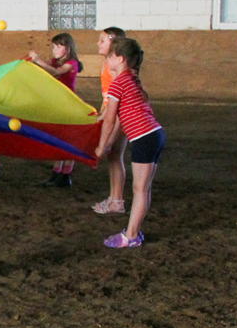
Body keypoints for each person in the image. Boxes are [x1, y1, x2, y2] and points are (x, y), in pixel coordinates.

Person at [96, 38, 164, 248]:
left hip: (144, 138)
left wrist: (101, 145)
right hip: (154, 135)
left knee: (140, 189)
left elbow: (110, 118)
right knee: (144, 189)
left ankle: (131, 236)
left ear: (120, 59)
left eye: (110, 56)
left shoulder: (118, 84)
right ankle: (134, 231)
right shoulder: (132, 79)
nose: (107, 60)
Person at [28, 32, 82, 187]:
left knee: (65, 139)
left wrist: (38, 61)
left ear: (68, 48)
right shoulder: (55, 62)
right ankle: (59, 173)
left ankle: (64, 174)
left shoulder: (72, 63)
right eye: (54, 46)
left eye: (59, 46)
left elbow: (56, 72)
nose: (55, 49)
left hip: (68, 105)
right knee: (61, 139)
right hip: (59, 104)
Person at [92, 27, 128, 214]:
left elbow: (118, 98)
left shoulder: (114, 68)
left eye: (102, 40)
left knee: (115, 157)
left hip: (118, 117)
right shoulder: (107, 63)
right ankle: (114, 198)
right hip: (111, 114)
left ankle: (117, 200)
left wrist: (111, 130)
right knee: (113, 158)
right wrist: (102, 112)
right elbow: (107, 95)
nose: (98, 43)